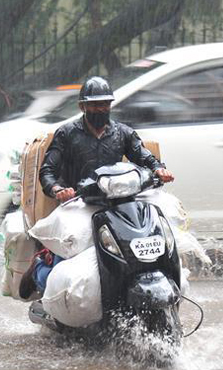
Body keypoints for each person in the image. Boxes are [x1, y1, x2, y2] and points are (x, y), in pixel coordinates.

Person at [19, 76, 175, 300]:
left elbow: (144, 157)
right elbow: (48, 172)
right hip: (80, 204)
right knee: (67, 260)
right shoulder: (67, 134)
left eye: (104, 104)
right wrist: (57, 190)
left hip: (118, 204)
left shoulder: (123, 133)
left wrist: (159, 169)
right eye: (94, 104)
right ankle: (39, 270)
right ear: (82, 106)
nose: (100, 109)